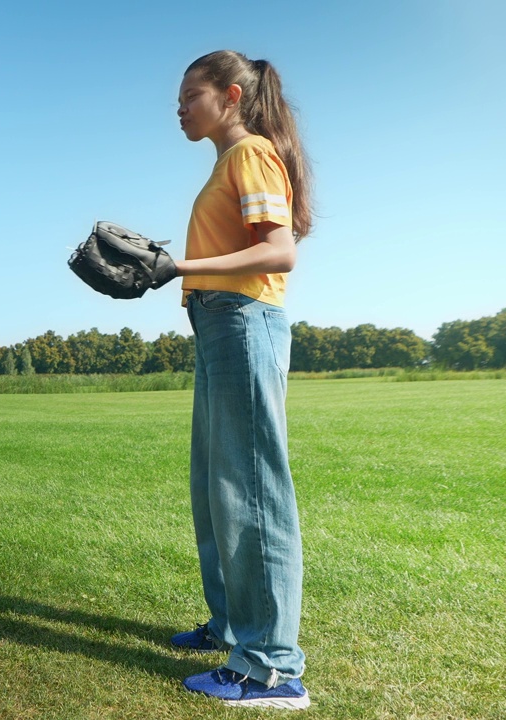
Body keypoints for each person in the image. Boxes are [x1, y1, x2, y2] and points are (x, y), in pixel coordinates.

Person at [169, 50, 314, 709]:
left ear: (229, 95)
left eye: (189, 95)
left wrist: (180, 267)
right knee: (215, 491)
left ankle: (270, 668)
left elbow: (278, 248)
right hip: (220, 323)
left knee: (251, 492)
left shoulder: (251, 151)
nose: (179, 106)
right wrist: (179, 272)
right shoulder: (228, 163)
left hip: (243, 320)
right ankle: (232, 627)